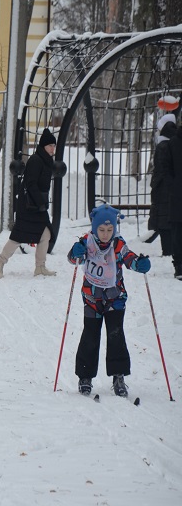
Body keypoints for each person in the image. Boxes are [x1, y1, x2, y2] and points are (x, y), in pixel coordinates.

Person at [68, 204, 150, 398]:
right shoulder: (87, 241)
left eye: (110, 230)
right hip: (91, 298)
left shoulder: (118, 244)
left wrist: (139, 264)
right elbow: (73, 259)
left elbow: (128, 258)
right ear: (95, 228)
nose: (106, 234)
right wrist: (76, 251)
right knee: (90, 335)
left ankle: (118, 376)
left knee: (116, 335)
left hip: (115, 298)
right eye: (102, 230)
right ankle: (85, 377)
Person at [0, 128, 59, 278]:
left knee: (45, 233)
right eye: (50, 145)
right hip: (29, 206)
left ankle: (40, 267)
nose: (52, 148)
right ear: (43, 146)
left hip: (36, 206)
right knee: (18, 237)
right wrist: (41, 201)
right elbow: (31, 183)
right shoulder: (36, 160)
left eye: (54, 145)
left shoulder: (46, 160)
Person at [149, 113, 176, 257]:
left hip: (163, 188)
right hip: (174, 188)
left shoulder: (162, 146)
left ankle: (167, 252)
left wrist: (154, 184)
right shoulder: (175, 143)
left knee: (163, 220)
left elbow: (160, 169)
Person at [169, 120, 182, 280]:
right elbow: (166, 167)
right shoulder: (174, 142)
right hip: (178, 194)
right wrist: (174, 185)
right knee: (178, 231)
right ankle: (179, 265)